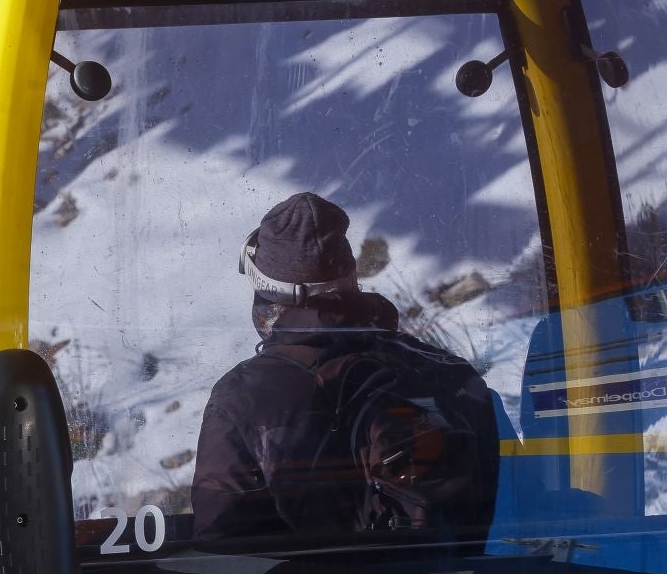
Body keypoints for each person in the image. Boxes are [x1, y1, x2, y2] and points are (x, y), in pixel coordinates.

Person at [192, 191, 500, 544]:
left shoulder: (244, 395)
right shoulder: (448, 372)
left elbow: (221, 554)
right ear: (352, 279)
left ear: (266, 294)